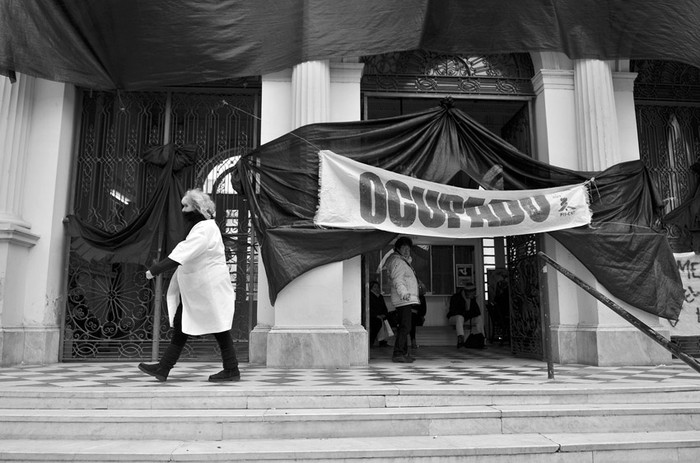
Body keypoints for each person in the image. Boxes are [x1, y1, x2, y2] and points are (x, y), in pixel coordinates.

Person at [138, 188, 240, 382]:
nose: (182, 211)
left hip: (206, 288)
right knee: (184, 325)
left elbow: (184, 251)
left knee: (217, 327)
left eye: (186, 206)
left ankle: (231, 369)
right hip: (201, 288)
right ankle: (164, 367)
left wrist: (155, 269)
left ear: (197, 208)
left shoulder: (205, 229)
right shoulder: (204, 227)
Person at [384, 236, 420, 363]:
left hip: (405, 298)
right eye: (404, 248)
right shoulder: (398, 262)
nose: (406, 251)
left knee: (405, 326)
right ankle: (398, 353)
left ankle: (403, 352)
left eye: (408, 248)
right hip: (404, 298)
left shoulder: (403, 261)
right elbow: (398, 279)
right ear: (398, 248)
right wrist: (404, 293)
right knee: (405, 327)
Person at [447, 282, 485, 348]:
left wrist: (467, 313)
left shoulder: (472, 299)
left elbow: (477, 312)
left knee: (478, 318)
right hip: (454, 318)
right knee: (460, 317)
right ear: (467, 292)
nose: (473, 294)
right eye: (472, 293)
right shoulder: (456, 297)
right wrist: (466, 313)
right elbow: (454, 311)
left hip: (466, 318)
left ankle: (482, 338)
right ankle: (460, 339)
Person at [368, 280, 390, 347]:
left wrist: (384, 314)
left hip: (381, 316)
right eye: (374, 287)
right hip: (373, 316)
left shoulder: (380, 296)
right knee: (376, 324)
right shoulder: (369, 296)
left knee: (388, 321)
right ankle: (371, 342)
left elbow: (384, 307)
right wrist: (376, 315)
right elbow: (369, 308)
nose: (376, 289)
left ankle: (383, 341)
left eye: (377, 287)